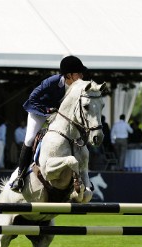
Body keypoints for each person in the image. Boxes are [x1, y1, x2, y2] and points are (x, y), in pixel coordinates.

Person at [10, 55, 87, 192]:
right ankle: (20, 177)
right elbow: (32, 98)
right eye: (78, 73)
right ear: (69, 75)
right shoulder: (53, 81)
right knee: (29, 139)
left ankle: (82, 177)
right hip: (39, 112)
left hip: (58, 116)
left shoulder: (77, 88)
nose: (82, 75)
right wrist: (46, 110)